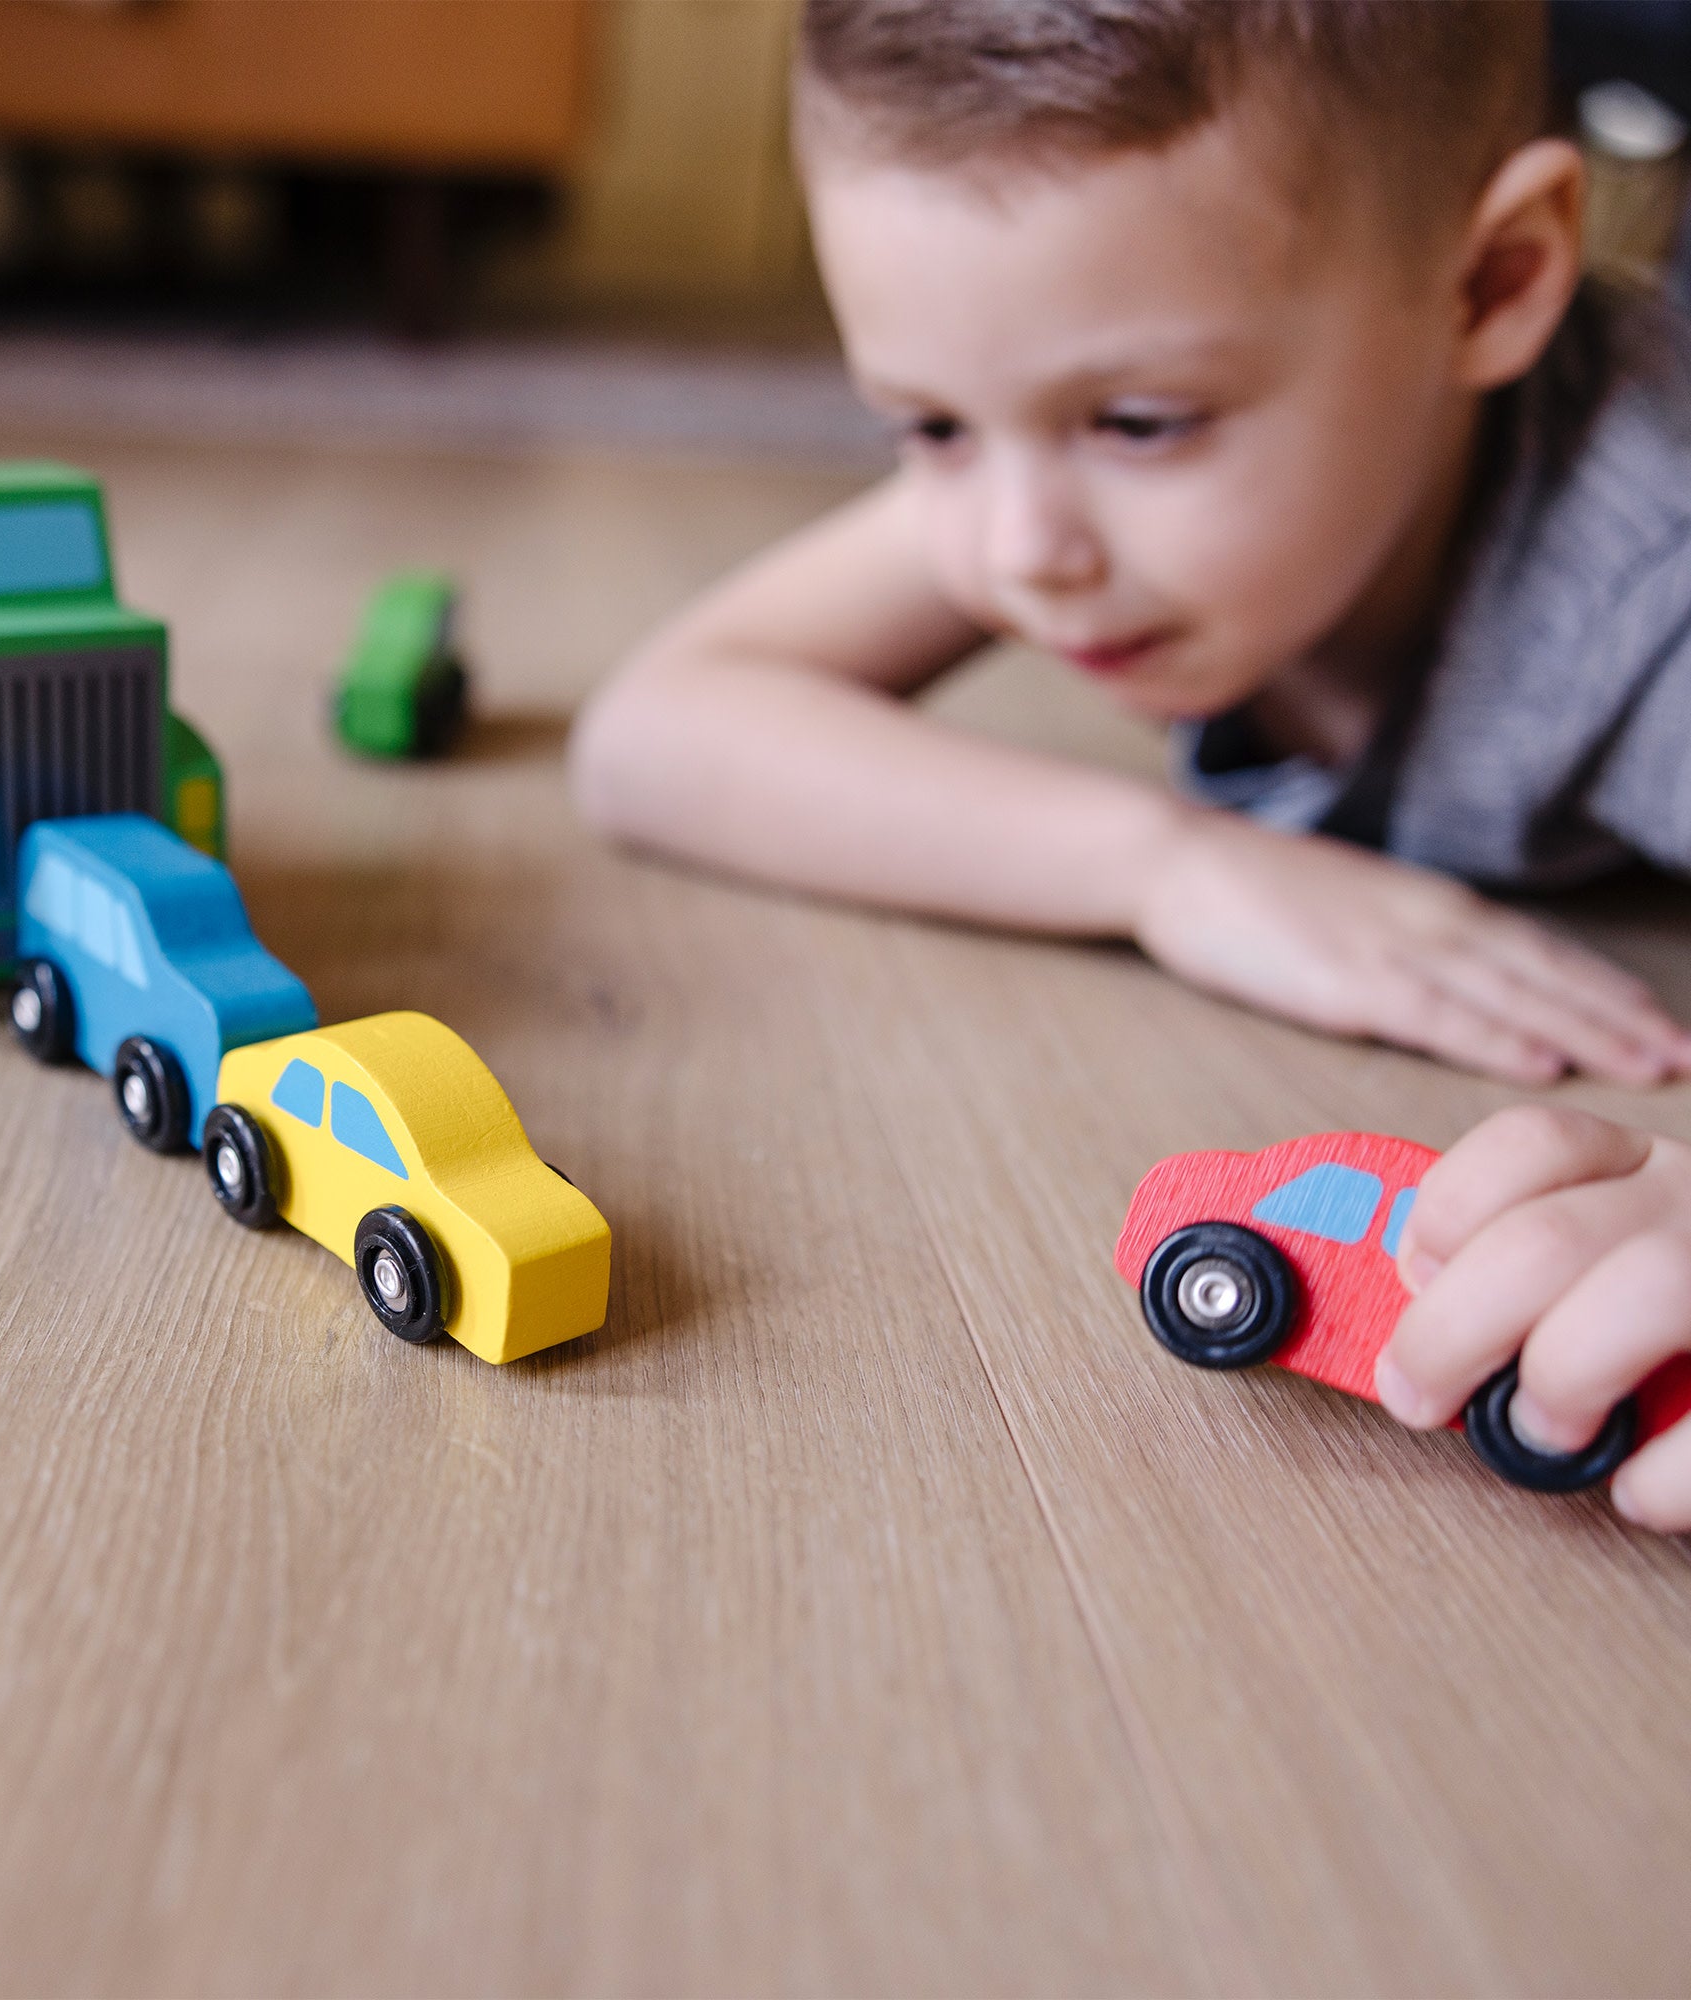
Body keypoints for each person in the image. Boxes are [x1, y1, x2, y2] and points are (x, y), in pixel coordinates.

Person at [568, 0, 1691, 1527]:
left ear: (1489, 285)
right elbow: (657, 735)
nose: (1020, 555)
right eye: (927, 427)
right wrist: (1167, 863)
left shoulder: (1649, 590)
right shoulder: (1073, 419)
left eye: (1143, 423)